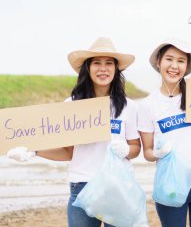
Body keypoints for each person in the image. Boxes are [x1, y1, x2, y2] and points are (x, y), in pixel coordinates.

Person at [7, 37, 142, 227]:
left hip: (118, 186)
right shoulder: (72, 106)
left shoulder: (130, 106)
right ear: (88, 68)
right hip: (82, 186)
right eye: (97, 63)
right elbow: (67, 152)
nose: (103, 68)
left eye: (109, 63)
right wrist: (34, 151)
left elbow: (136, 147)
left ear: (116, 69)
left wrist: (127, 150)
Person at [137, 38, 191, 227]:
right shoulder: (148, 105)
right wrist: (156, 153)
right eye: (169, 59)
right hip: (170, 179)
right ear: (159, 62)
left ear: (187, 66)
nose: (174, 66)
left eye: (181, 61)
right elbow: (147, 152)